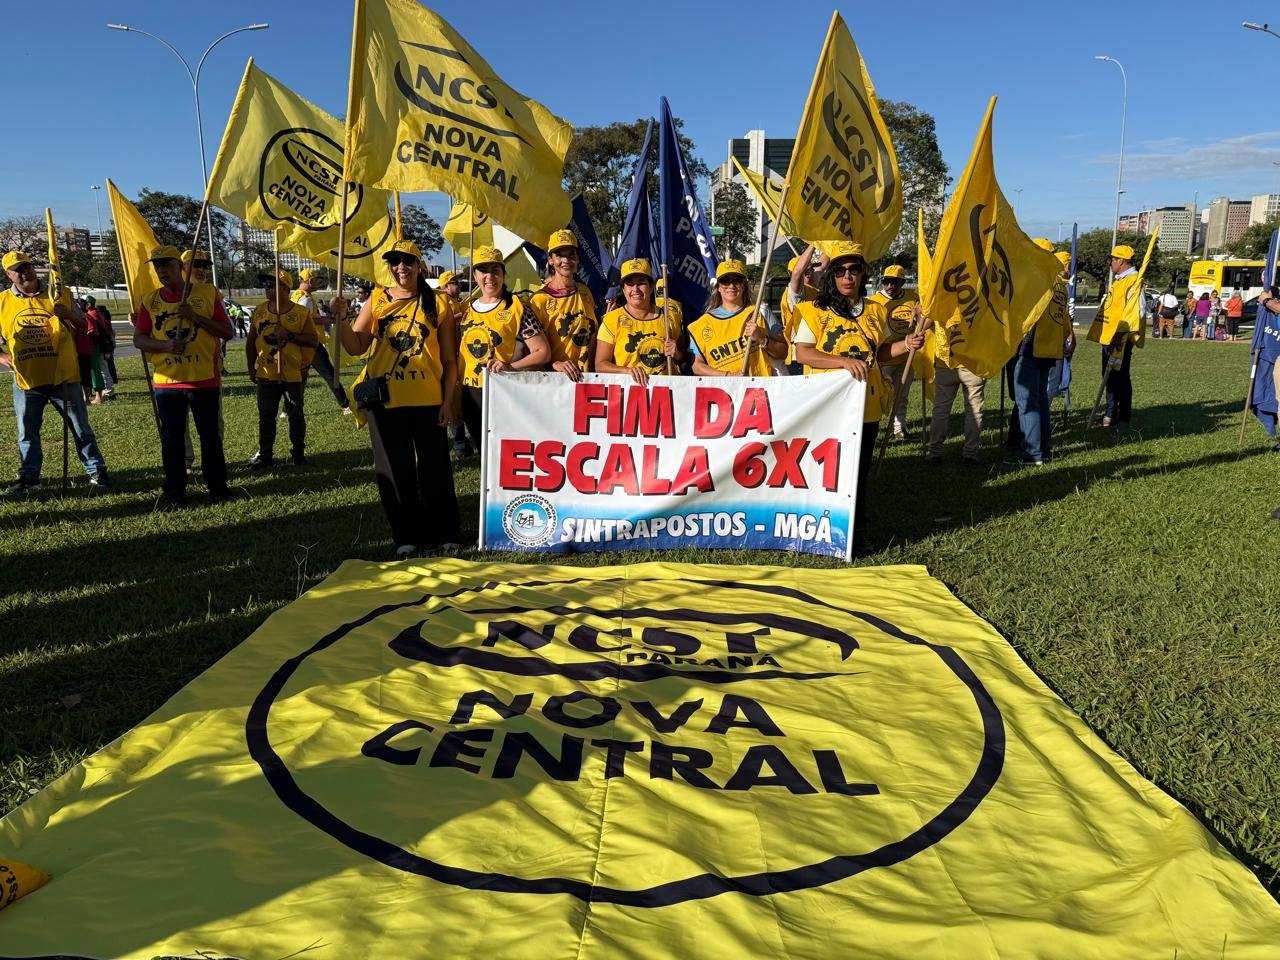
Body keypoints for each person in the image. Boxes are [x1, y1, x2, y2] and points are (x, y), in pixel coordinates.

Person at [790, 241, 924, 556]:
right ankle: (814, 529)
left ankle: (855, 530)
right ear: (831, 274)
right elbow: (803, 353)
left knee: (857, 472)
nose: (847, 276)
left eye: (854, 269)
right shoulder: (814, 309)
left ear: (863, 273)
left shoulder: (876, 311)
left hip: (866, 405)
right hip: (826, 406)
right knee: (822, 471)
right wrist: (843, 362)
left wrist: (906, 344)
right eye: (840, 269)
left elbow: (879, 354)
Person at [332, 239, 461, 557]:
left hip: (428, 399)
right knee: (394, 470)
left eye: (407, 261)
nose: (400, 267)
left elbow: (449, 360)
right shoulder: (377, 299)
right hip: (386, 402)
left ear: (419, 266)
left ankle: (445, 532)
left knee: (436, 470)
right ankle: (406, 535)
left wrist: (447, 402)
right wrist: (341, 319)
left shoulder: (439, 303)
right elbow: (356, 346)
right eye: (394, 262)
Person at [0, 250, 111, 493]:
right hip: (27, 379)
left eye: (26, 266)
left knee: (80, 427)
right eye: (17, 269)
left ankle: (97, 471)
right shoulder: (2, 302)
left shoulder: (59, 294)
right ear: (8, 275)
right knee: (27, 432)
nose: (24, 272)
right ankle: (30, 478)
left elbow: (83, 328)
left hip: (63, 376)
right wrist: (3, 356)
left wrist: (69, 314)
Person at [131, 244, 233, 504]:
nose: (162, 270)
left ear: (181, 267)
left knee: (210, 436)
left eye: (167, 264)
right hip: (167, 383)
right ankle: (175, 489)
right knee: (172, 439)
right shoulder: (150, 300)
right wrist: (164, 345)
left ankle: (217, 486)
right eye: (157, 266)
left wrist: (195, 316)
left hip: (204, 380)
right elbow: (140, 339)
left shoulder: (208, 293)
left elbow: (226, 331)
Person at [457, 245, 550, 458]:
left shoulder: (518, 307)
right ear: (475, 275)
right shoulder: (467, 310)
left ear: (504, 273)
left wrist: (510, 367)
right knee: (485, 456)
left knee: (508, 457)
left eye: (495, 270)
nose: (489, 276)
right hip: (472, 393)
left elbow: (542, 352)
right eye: (483, 270)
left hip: (505, 391)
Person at [1009, 250, 1075, 466]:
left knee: (1027, 401)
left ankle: (1033, 453)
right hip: (1050, 350)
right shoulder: (1060, 286)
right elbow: (1064, 321)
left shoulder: (1036, 282)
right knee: (1041, 400)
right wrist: (1068, 340)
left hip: (1031, 348)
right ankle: (1043, 448)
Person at [247, 269, 318, 468]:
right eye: (265, 285)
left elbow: (313, 341)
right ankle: (266, 454)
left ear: (285, 288)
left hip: (293, 374)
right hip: (265, 375)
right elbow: (252, 340)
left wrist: (289, 335)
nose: (267, 289)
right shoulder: (259, 310)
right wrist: (250, 368)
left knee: (295, 415)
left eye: (272, 285)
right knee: (266, 416)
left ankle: (298, 453)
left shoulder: (301, 313)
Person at [686, 259, 784, 377]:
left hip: (759, 390)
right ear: (718, 287)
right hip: (723, 391)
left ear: (744, 286)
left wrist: (762, 339)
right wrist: (728, 375)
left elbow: (783, 352)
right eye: (725, 281)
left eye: (737, 281)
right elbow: (697, 366)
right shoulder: (703, 324)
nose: (731, 286)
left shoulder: (760, 311)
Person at [1087, 244, 1147, 429]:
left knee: (1120, 377)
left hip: (1120, 339)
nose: (1110, 263)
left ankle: (1123, 417)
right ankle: (1110, 414)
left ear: (1121, 260)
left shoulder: (1134, 281)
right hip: (1109, 337)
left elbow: (1139, 311)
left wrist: (1121, 334)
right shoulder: (1119, 280)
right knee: (1108, 376)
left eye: (1112, 259)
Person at [595, 258, 680, 387]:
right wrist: (627, 371)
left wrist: (677, 353)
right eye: (629, 284)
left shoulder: (669, 317)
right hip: (627, 397)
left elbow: (684, 357)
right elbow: (600, 365)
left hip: (664, 396)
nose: (635, 289)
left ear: (651, 287)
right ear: (623, 289)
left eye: (641, 283)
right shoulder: (611, 320)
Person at [528, 229, 598, 381]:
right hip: (556, 382)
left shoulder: (585, 292)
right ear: (551, 260)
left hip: (590, 380)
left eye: (571, 255)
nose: (566, 260)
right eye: (559, 255)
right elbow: (531, 350)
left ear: (578, 259)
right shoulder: (538, 300)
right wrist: (555, 363)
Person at [867, 263, 919, 439]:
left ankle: (899, 428)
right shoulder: (875, 301)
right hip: (884, 358)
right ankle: (876, 428)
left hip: (906, 357)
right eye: (886, 281)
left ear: (902, 282)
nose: (890, 286)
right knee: (880, 397)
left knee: (901, 396)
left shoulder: (913, 297)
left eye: (894, 282)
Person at [292, 268, 351, 414]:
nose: (319, 283)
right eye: (317, 280)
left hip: (299, 343)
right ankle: (345, 405)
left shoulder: (295, 296)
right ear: (310, 281)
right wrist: (326, 319)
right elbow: (303, 319)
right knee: (330, 374)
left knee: (300, 377)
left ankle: (289, 408)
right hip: (311, 343)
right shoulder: (305, 298)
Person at [781, 246, 824, 373]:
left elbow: (822, 266)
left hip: (816, 352)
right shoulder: (794, 294)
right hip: (799, 359)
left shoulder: (813, 288)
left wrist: (828, 239)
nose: (810, 274)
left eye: (811, 270)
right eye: (806, 272)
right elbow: (796, 273)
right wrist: (812, 244)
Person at [84, 296, 115, 401]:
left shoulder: (91, 314)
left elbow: (94, 331)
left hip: (99, 345)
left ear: (88, 305)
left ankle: (108, 392)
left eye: (84, 303)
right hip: (102, 344)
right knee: (103, 368)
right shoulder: (97, 312)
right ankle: (108, 391)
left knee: (102, 369)